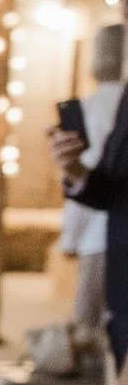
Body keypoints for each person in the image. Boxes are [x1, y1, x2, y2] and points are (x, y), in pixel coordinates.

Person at [58, 25, 125, 330]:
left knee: (88, 332)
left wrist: (70, 236)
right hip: (108, 225)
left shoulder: (82, 109)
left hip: (97, 234)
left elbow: (84, 171)